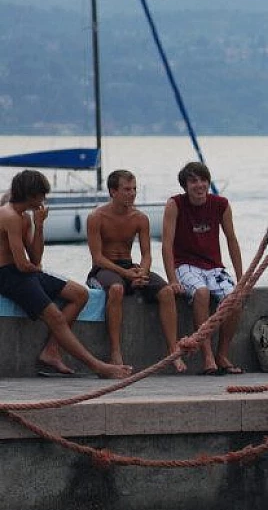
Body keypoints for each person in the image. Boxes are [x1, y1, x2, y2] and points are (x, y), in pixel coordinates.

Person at [0, 170, 132, 379]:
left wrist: (40, 225)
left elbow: (34, 258)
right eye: (41, 195)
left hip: (23, 272)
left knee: (80, 294)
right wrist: (37, 270)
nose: (44, 200)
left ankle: (51, 351)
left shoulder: (24, 217)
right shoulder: (9, 216)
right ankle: (99, 366)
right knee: (54, 316)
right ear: (30, 194)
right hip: (7, 275)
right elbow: (23, 265)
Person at [86, 169, 186, 373]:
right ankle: (115, 351)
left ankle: (173, 350)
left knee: (166, 292)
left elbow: (147, 254)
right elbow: (97, 257)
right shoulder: (97, 217)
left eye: (134, 189)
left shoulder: (140, 218)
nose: (132, 194)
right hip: (104, 268)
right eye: (126, 190)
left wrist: (142, 272)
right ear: (113, 191)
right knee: (116, 289)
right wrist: (126, 275)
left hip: (130, 266)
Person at [161, 162, 244, 375]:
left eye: (203, 180)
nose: (199, 185)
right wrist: (172, 279)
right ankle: (207, 356)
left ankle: (222, 354)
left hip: (213, 266)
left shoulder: (221, 204)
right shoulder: (175, 204)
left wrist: (242, 277)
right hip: (186, 265)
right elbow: (167, 245)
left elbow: (232, 240)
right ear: (185, 186)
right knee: (202, 293)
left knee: (234, 300)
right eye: (193, 181)